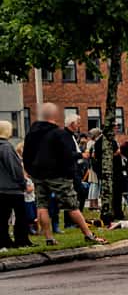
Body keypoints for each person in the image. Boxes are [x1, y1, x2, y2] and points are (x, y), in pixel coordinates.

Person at [22, 103, 101, 244]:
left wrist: (31, 171)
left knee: (42, 206)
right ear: (54, 115)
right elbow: (66, 154)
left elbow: (26, 154)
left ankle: (49, 238)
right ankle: (88, 235)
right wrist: (72, 168)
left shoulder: (31, 133)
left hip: (38, 175)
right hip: (58, 175)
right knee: (72, 205)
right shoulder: (59, 133)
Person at [0, 120, 32, 249]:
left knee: (2, 218)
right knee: (21, 216)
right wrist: (23, 183)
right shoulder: (6, 147)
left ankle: (4, 241)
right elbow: (15, 168)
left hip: (1, 189)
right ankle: (22, 240)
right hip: (13, 189)